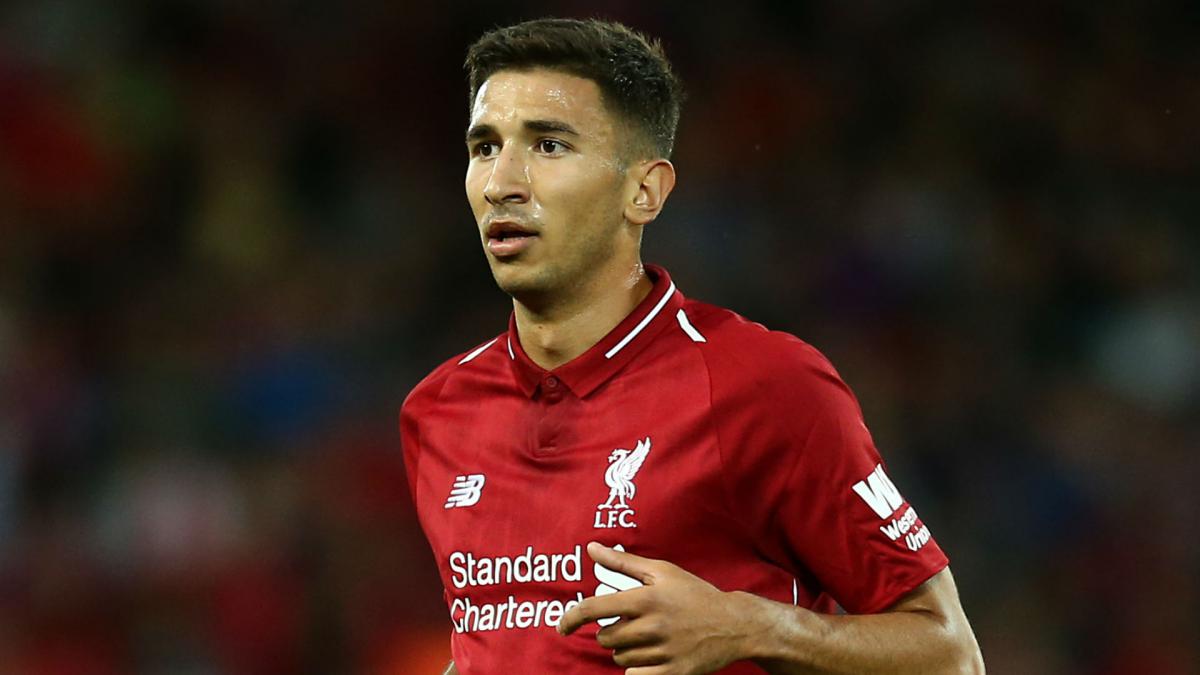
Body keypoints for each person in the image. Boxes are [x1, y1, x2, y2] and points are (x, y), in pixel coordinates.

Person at [400, 17, 984, 675]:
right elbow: (501, 648)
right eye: (485, 147)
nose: (501, 181)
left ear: (644, 190)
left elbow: (950, 654)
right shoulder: (438, 412)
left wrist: (755, 626)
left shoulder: (762, 385)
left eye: (550, 145)